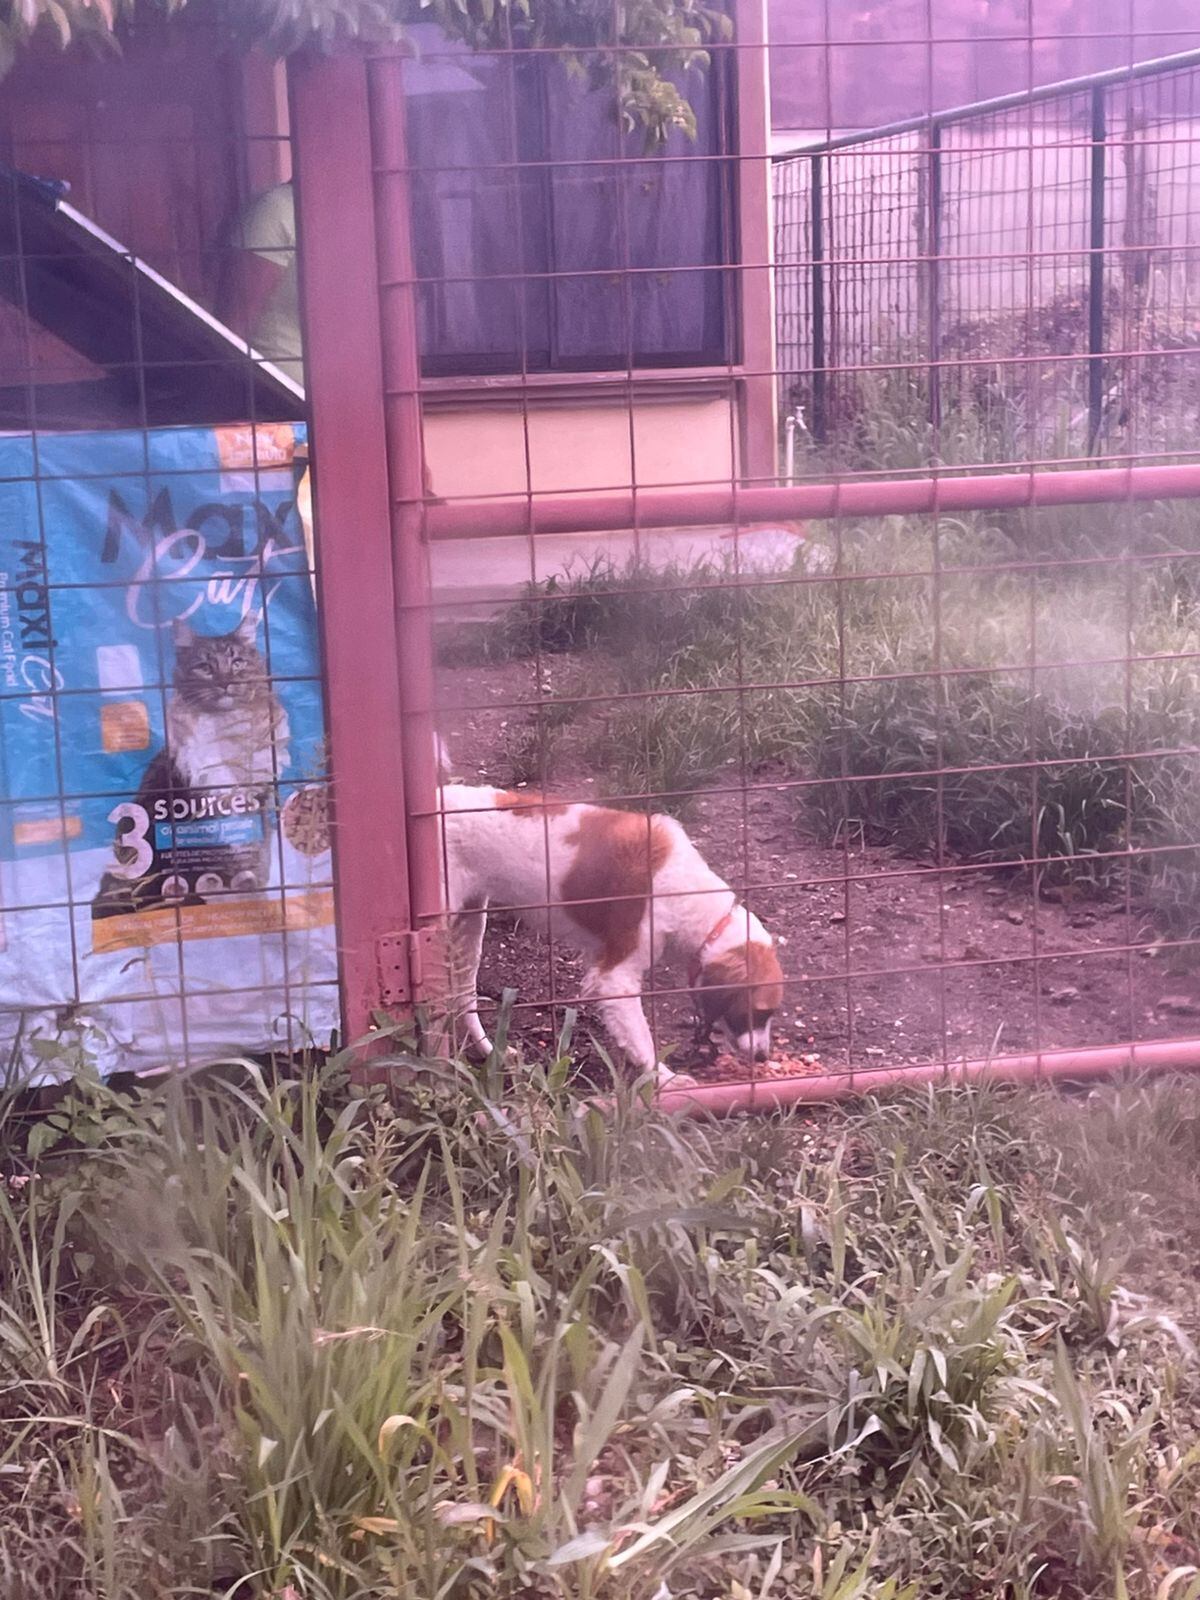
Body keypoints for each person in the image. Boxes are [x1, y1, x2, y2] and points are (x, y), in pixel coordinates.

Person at [220, 180, 302, 385]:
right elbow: (232, 328)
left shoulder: (352, 213)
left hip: (348, 395)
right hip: (281, 396)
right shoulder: (275, 210)